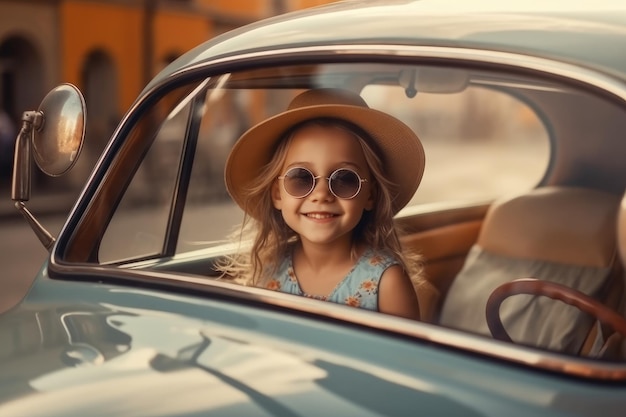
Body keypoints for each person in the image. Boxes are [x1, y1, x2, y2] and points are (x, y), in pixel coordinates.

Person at [219, 88, 425, 320]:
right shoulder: (269, 268)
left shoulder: (387, 282)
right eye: (301, 178)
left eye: (345, 179)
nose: (321, 194)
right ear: (277, 195)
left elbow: (403, 357)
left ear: (370, 195)